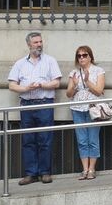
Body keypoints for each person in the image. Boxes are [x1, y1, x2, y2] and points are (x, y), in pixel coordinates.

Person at [7, 32, 61, 186]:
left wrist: (41, 85)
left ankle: (45, 172)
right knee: (28, 140)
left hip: (45, 103)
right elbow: (11, 85)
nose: (39, 44)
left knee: (45, 139)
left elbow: (56, 82)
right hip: (27, 105)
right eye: (36, 42)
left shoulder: (50, 61)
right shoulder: (20, 64)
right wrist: (25, 88)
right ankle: (31, 173)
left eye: (40, 41)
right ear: (28, 45)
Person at [66, 45, 105, 181]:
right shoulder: (74, 73)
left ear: (90, 57)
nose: (81, 58)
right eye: (79, 55)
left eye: (84, 55)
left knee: (93, 139)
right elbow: (68, 93)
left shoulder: (98, 71)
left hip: (93, 109)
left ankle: (92, 169)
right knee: (82, 140)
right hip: (77, 108)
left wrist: (87, 81)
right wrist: (75, 85)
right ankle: (84, 169)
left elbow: (99, 91)